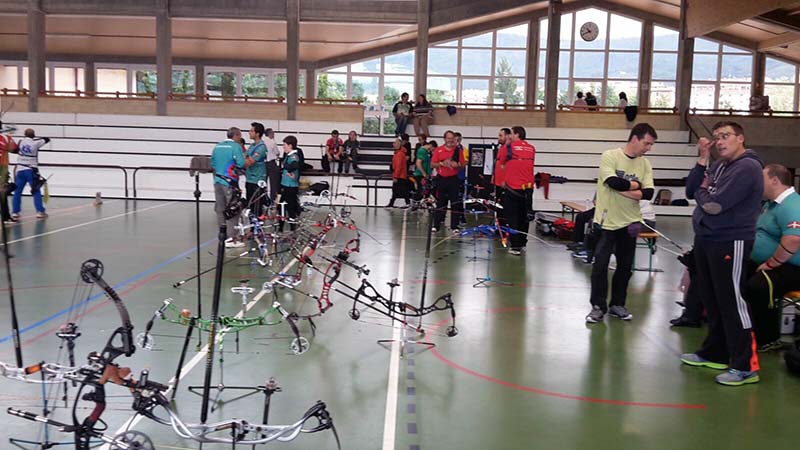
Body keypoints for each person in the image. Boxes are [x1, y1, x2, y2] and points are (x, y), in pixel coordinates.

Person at [680, 121, 764, 386]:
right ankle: (715, 353)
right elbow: (691, 190)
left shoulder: (747, 167)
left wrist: (704, 191)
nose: (719, 141)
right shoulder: (719, 166)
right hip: (707, 239)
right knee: (712, 299)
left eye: (725, 136)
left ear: (740, 138)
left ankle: (745, 366)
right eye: (716, 137)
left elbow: (714, 205)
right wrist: (703, 158)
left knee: (732, 301)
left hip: (731, 240)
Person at [585, 123, 656, 323]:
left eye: (651, 144)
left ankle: (618, 304)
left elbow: (648, 193)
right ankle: (598, 307)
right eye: (647, 143)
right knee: (600, 267)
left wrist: (623, 188)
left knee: (625, 267)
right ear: (634, 138)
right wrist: (636, 185)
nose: (649, 148)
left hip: (631, 223)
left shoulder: (645, 164)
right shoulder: (610, 156)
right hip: (606, 223)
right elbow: (612, 182)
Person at [744, 164, 800, 352]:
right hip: (771, 263)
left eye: (762, 180)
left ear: (775, 181)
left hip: (792, 267)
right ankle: (743, 328)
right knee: (732, 274)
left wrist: (771, 263)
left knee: (759, 285)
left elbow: (793, 239)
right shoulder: (770, 205)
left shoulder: (792, 205)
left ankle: (768, 338)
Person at [501, 126, 536, 256]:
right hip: (528, 189)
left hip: (513, 188)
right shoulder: (532, 148)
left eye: (511, 134)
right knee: (524, 217)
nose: (509, 136)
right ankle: (522, 242)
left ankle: (515, 246)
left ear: (516, 135)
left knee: (513, 217)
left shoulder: (508, 148)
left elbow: (501, 163)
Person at [211, 127, 246, 248]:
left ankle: (223, 235)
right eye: (240, 136)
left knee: (220, 208)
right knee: (233, 209)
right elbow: (241, 163)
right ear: (236, 136)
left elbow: (213, 163)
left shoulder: (217, 146)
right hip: (230, 181)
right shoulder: (235, 147)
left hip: (217, 181)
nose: (240, 138)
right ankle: (232, 238)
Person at [431, 130, 465, 233]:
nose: (450, 140)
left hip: (453, 179)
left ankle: (454, 226)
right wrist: (442, 164)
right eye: (448, 138)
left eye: (451, 138)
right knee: (440, 203)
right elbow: (432, 164)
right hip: (441, 179)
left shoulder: (458, 150)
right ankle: (436, 225)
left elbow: (463, 165)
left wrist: (457, 165)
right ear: (444, 139)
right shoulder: (439, 150)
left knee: (455, 203)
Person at [12, 128, 50, 219]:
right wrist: (36, 138)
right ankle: (40, 211)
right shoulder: (35, 143)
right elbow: (47, 139)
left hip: (20, 169)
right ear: (33, 135)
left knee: (17, 191)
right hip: (31, 170)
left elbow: (15, 150)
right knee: (35, 190)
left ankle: (15, 212)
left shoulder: (21, 141)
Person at [244, 122, 267, 216]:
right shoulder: (252, 146)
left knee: (256, 207)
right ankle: (252, 223)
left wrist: (244, 159)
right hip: (249, 178)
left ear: (257, 133)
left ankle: (257, 224)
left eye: (251, 131)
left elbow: (249, 162)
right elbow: (245, 158)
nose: (249, 132)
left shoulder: (261, 147)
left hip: (257, 180)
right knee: (250, 204)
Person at [280, 135, 302, 231]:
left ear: (290, 145)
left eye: (284, 145)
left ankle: (292, 228)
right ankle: (281, 227)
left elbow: (294, 165)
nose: (283, 147)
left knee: (290, 208)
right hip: (286, 185)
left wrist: (287, 168)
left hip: (290, 186)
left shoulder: (293, 156)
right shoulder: (288, 155)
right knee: (282, 207)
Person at [492, 128, 511, 227]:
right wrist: (494, 176)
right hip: (498, 182)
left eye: (501, 135)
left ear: (507, 136)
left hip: (505, 183)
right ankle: (499, 226)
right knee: (498, 206)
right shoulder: (501, 148)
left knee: (504, 206)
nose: (498, 138)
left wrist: (505, 180)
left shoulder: (509, 149)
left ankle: (504, 226)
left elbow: (509, 166)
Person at [0, 131, 18, 223]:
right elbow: (15, 150)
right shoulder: (5, 137)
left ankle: (5, 216)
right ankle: (5, 217)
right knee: (3, 192)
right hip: (2, 167)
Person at [387, 138, 410, 208]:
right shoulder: (399, 153)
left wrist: (395, 176)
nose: (393, 144)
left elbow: (398, 166)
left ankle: (406, 203)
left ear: (399, 144)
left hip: (400, 176)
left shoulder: (399, 154)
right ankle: (393, 203)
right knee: (399, 190)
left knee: (398, 190)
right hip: (401, 175)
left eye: (395, 143)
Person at [264, 127, 281, 203]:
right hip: (271, 163)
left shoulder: (262, 142)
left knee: (264, 181)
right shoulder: (272, 142)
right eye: (273, 133)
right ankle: (273, 198)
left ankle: (264, 197)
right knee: (273, 181)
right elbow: (277, 152)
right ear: (270, 134)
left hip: (264, 163)